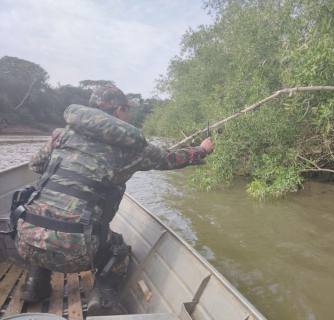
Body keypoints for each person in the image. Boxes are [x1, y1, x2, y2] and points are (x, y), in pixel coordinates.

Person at [9, 85, 213, 315]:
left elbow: (35, 165)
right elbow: (169, 159)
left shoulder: (60, 135)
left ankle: (35, 285)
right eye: (127, 110)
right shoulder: (132, 147)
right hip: (77, 252)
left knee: (43, 220)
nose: (129, 115)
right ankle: (103, 299)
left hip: (24, 240)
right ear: (118, 110)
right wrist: (201, 150)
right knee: (118, 249)